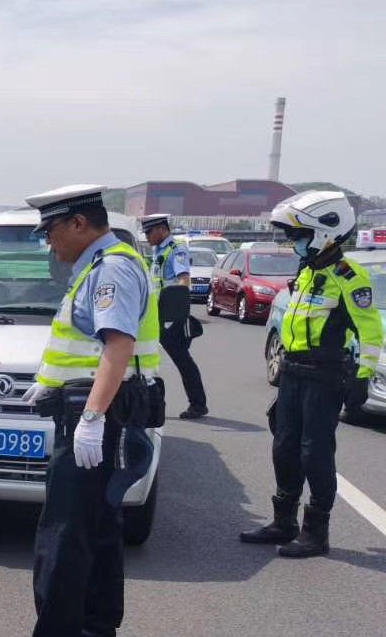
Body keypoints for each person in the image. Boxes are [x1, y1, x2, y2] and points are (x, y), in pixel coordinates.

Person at [0, 185, 160, 637]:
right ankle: (94, 634)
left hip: (96, 419)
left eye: (52, 232)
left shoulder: (109, 269)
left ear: (80, 224)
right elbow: (83, 347)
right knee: (99, 529)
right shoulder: (102, 264)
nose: (49, 244)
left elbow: (117, 346)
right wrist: (48, 386)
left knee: (63, 535)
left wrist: (90, 418)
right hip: (95, 410)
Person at [239, 191, 381, 558]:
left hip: (325, 375)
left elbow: (370, 331)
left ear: (323, 233)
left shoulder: (348, 276)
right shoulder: (308, 271)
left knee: (313, 454)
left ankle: (316, 533)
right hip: (293, 372)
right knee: (284, 447)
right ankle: (282, 521)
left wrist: (362, 377)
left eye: (298, 234)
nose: (294, 242)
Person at [142, 213, 208, 418]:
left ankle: (198, 404)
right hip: (156, 314)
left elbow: (184, 282)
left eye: (149, 232)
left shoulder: (175, 251)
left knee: (183, 361)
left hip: (170, 317)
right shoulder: (159, 251)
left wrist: (176, 311)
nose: (147, 236)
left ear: (162, 229)